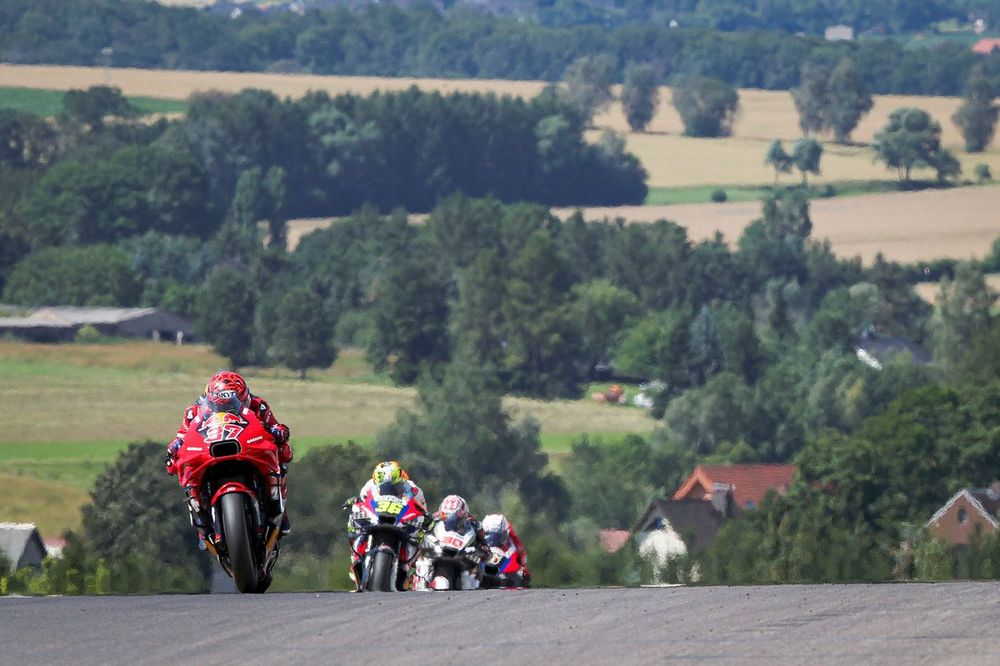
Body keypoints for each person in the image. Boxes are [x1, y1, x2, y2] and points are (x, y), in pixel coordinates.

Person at [165, 370, 293, 536]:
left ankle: (277, 506)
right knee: (183, 464)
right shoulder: (193, 412)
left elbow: (274, 426)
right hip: (210, 450)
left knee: (280, 454)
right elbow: (183, 435)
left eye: (235, 403)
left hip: (246, 447)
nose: (229, 408)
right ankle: (201, 519)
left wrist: (278, 431)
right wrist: (175, 447)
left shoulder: (258, 405)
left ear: (244, 397)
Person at [346, 461, 427, 591]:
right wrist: (353, 503)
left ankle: (407, 569)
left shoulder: (412, 489)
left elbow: (422, 509)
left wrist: (424, 517)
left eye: (395, 484)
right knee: (355, 526)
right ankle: (356, 559)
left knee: (417, 538)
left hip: (400, 521)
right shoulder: (369, 485)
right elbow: (362, 501)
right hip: (376, 518)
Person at [481, 513, 531, 586]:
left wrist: (524, 568)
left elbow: (521, 551)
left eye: (499, 536)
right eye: (490, 535)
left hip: (504, 564)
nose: (495, 539)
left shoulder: (510, 534)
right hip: (486, 560)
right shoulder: (477, 532)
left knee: (520, 576)